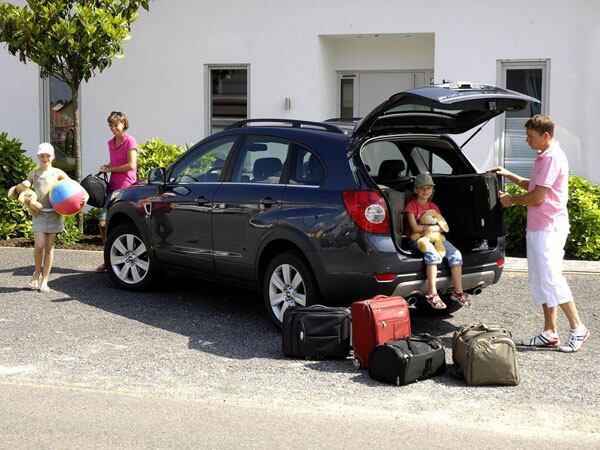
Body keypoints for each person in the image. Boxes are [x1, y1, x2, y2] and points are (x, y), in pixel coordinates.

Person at [487, 114, 589, 352]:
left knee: (552, 278)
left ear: (546, 135)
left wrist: (511, 200)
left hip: (550, 228)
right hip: (538, 227)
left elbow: (536, 197)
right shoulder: (543, 156)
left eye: (530, 136)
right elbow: (532, 186)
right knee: (542, 280)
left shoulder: (553, 157)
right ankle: (550, 332)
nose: (527, 140)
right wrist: (507, 173)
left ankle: (578, 328)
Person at [403, 172, 471, 309]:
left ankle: (458, 292)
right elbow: (415, 228)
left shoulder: (433, 207)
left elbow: (443, 227)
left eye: (428, 188)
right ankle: (432, 294)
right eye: (422, 188)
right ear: (415, 190)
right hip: (417, 239)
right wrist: (430, 228)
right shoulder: (411, 206)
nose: (425, 191)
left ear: (432, 190)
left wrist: (431, 228)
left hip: (436, 237)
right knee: (433, 256)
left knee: (456, 255)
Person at [24, 143, 69, 293]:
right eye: (42, 156)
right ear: (38, 157)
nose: (45, 158)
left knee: (49, 248)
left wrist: (79, 200)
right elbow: (25, 190)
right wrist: (27, 199)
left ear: (53, 157)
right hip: (39, 214)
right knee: (39, 245)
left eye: (48, 155)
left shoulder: (57, 173)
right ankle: (37, 272)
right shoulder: (33, 174)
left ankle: (45, 280)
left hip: (55, 214)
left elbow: (72, 187)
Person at [96, 111, 138, 272]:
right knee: (103, 223)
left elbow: (131, 165)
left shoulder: (130, 141)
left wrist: (111, 168)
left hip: (126, 187)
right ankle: (108, 258)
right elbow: (114, 162)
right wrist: (107, 167)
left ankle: (115, 260)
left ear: (123, 123)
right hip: (112, 186)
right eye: (110, 125)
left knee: (119, 222)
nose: (113, 128)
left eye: (115, 125)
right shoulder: (110, 142)